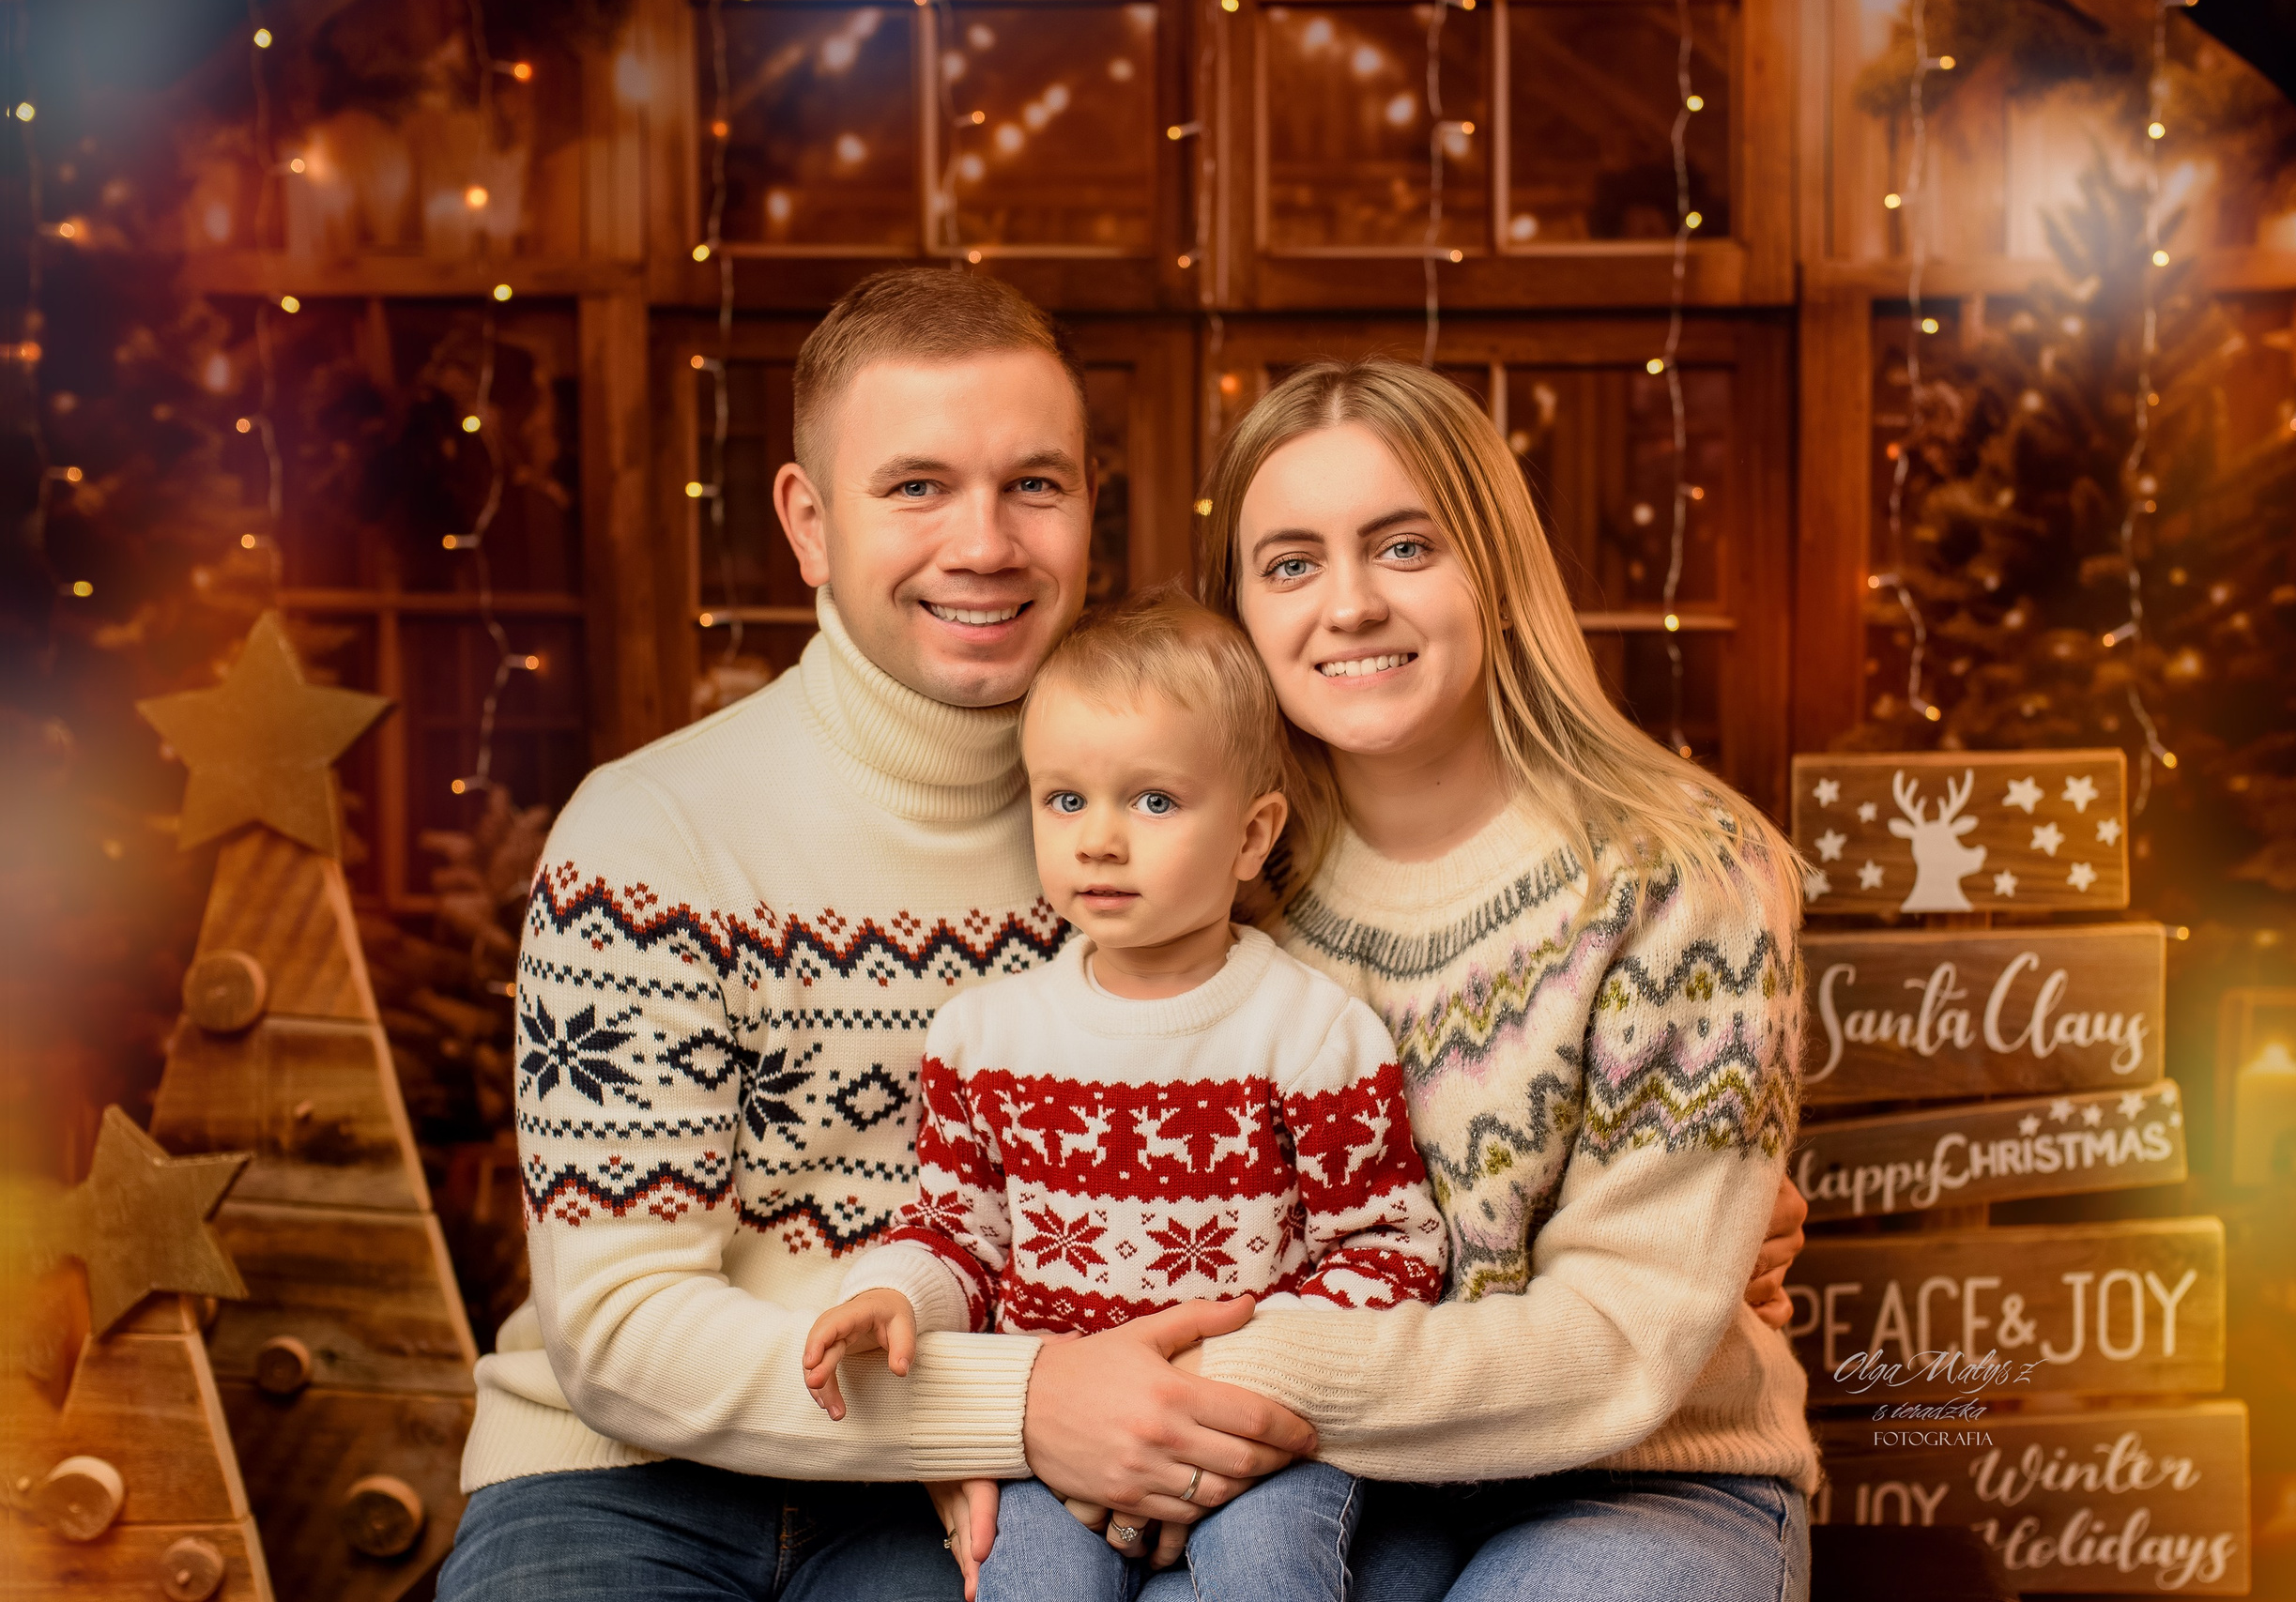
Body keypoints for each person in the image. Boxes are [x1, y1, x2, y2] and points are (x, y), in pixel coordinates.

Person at [436, 267, 1806, 1602]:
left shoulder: (1209, 837)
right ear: (805, 520)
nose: (984, 544)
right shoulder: (654, 833)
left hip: (1152, 1463)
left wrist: (1703, 1223)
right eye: (916, 485)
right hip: (679, 1470)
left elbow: (1555, 1266)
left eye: (1032, 484)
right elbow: (621, 1328)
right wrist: (1023, 1403)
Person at [1165, 357, 1820, 1600]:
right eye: (1291, 563)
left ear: (1499, 574)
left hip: (1649, 1475)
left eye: (1405, 547)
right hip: (1339, 1480)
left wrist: (1260, 1374)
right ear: (1243, 613)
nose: (1347, 604)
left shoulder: (1682, 872)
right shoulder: (1227, 889)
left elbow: (1624, 1341)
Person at [804, 591, 1446, 1602]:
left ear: (1249, 835)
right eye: (1065, 799)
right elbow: (955, 1232)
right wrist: (891, 1294)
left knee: (1267, 1577)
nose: (1098, 838)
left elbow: (1390, 1248)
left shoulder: (1311, 1033)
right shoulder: (985, 1036)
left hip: (1253, 1436)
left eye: (1152, 801)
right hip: (1056, 1445)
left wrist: (1237, 1374)